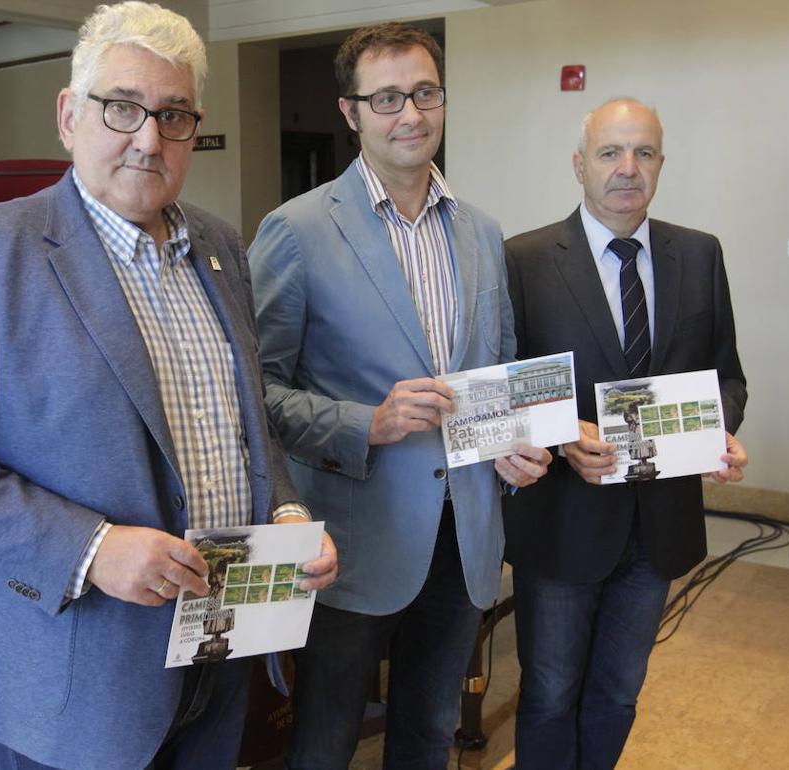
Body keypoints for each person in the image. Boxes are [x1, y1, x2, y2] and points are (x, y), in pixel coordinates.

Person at [0, 4, 336, 769]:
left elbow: (244, 418)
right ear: (69, 115)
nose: (148, 138)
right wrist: (91, 550)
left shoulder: (220, 245)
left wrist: (286, 511)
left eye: (174, 115)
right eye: (122, 107)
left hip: (220, 645)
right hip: (77, 672)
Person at [248, 22, 550, 769]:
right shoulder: (297, 230)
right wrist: (365, 423)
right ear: (350, 112)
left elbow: (500, 365)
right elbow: (253, 393)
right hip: (354, 536)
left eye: (424, 93)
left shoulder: (482, 231)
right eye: (386, 98)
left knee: (428, 729)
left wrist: (516, 437)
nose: (410, 114)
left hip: (467, 530)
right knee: (324, 735)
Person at [502, 97, 749, 770]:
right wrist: (560, 436)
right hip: (561, 524)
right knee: (550, 692)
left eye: (644, 153)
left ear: (661, 164)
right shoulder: (523, 259)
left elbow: (727, 379)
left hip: (659, 526)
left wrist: (717, 432)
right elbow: (502, 393)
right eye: (611, 153)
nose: (627, 168)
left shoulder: (699, 254)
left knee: (619, 690)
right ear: (581, 165)